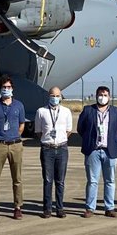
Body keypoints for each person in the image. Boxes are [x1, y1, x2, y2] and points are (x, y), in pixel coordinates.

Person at [77, 85, 117, 217]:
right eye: (100, 95)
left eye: (105, 95)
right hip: (93, 150)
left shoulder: (116, 111)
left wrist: (114, 140)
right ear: (96, 96)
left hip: (110, 151)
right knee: (92, 181)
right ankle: (90, 208)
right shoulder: (88, 110)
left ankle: (109, 208)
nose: (102, 97)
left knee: (110, 180)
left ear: (109, 97)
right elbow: (81, 128)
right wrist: (88, 140)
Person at [0, 75, 27, 219]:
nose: (6, 89)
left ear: (12, 88)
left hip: (15, 144)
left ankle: (18, 207)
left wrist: (14, 136)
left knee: (17, 178)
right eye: (4, 87)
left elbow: (22, 125)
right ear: (0, 89)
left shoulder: (19, 105)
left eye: (8, 87)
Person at [33, 86, 73, 218]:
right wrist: (48, 140)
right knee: (48, 179)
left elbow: (69, 130)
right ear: (48, 96)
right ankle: (47, 208)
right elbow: (38, 131)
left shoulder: (66, 112)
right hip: (47, 149)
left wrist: (60, 140)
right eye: (52, 95)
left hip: (62, 148)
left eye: (57, 96)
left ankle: (60, 208)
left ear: (60, 97)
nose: (55, 98)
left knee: (60, 180)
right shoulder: (41, 111)